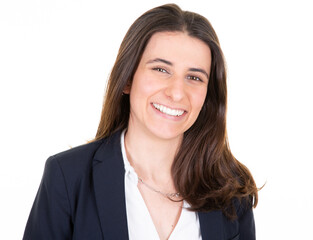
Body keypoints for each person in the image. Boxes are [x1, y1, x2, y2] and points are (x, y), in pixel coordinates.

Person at [23, 3, 258, 240]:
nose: (177, 93)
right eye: (161, 69)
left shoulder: (232, 189)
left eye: (194, 77)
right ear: (127, 79)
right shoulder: (68, 177)